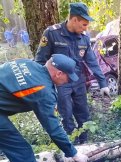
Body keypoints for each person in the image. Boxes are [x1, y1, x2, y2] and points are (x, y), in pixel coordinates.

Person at [0, 54, 88, 162]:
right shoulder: (43, 90)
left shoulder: (28, 64)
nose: (68, 81)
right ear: (58, 73)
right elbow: (53, 129)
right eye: (68, 77)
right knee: (22, 150)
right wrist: (74, 153)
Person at [35, 2, 110, 144]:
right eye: (84, 24)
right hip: (60, 84)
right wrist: (43, 88)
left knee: (84, 115)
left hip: (78, 81)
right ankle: (72, 147)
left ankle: (86, 145)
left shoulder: (84, 38)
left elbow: (92, 61)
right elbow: (39, 61)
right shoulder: (52, 33)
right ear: (74, 20)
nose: (86, 28)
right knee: (66, 116)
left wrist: (102, 83)